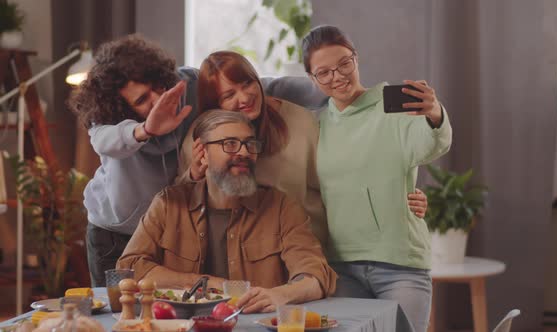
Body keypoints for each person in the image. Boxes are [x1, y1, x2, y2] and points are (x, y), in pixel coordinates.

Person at [178, 51, 429, 245]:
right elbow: (180, 203)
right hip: (234, 259)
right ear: (214, 104)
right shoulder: (200, 137)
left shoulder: (300, 122)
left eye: (247, 84)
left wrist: (399, 194)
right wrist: (194, 176)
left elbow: (343, 177)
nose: (244, 98)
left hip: (305, 249)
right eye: (228, 95)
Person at [301, 25, 453, 332]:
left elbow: (431, 143)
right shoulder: (314, 125)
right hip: (341, 266)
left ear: (356, 58)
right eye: (324, 72)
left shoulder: (393, 108)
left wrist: (434, 113)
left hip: (401, 264)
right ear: (312, 79)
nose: (338, 76)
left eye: (344, 63)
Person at [117, 110, 337, 313]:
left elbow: (317, 276)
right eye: (230, 143)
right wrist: (202, 281)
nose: (243, 152)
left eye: (250, 144)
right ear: (202, 153)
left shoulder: (281, 207)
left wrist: (281, 295)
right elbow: (129, 268)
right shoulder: (168, 204)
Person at [67, 34, 198, 287]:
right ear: (121, 108)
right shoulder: (105, 117)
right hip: (114, 235)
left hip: (169, 233)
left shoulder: (186, 85)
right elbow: (103, 141)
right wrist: (146, 129)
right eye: (141, 100)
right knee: (116, 316)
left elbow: (247, 81)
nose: (157, 100)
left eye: (157, 87)